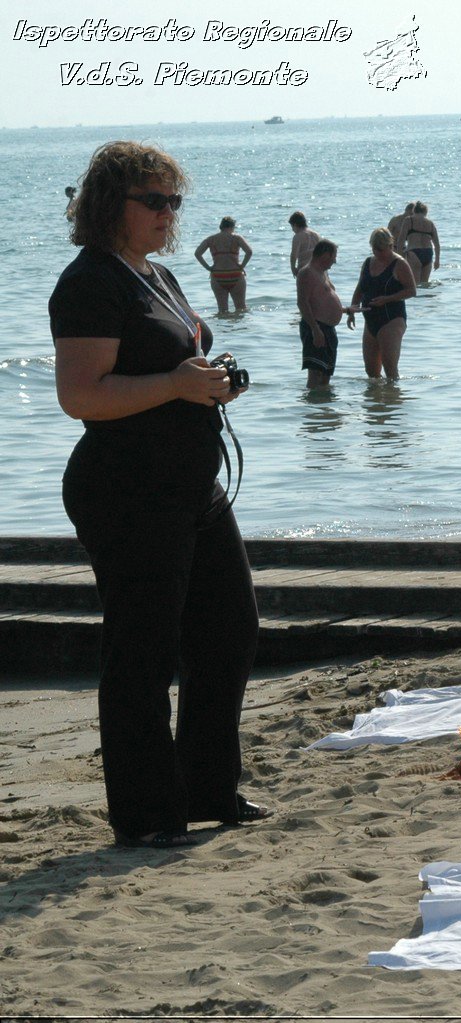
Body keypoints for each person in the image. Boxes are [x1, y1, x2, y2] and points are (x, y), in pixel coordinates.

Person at [49, 140, 264, 849]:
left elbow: (175, 360)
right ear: (114, 205)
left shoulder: (156, 274)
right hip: (128, 490)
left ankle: (206, 790)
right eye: (156, 201)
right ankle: (145, 816)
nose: (170, 213)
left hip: (189, 483)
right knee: (142, 650)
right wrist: (176, 385)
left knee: (229, 627)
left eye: (176, 201)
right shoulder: (89, 282)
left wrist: (213, 375)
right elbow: (81, 395)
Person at [348, 227, 416, 380]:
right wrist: (352, 310)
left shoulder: (399, 264)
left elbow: (411, 291)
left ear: (390, 246)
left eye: (381, 249)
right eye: (374, 249)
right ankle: (376, 402)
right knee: (371, 372)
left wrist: (387, 299)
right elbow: (360, 288)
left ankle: (393, 400)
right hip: (370, 320)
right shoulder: (367, 262)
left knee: (390, 370)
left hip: (392, 319)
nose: (378, 253)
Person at [295, 238, 347, 390]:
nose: (335, 261)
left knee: (326, 375)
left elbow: (322, 301)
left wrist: (346, 310)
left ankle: (323, 410)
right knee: (315, 375)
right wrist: (315, 330)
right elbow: (303, 303)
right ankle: (313, 410)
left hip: (328, 329)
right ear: (325, 255)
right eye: (333, 256)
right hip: (316, 328)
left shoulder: (323, 273)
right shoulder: (307, 273)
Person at [192, 216, 252, 313]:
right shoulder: (237, 238)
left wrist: (208, 268)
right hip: (235, 274)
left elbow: (197, 253)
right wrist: (242, 266)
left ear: (221, 226)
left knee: (222, 310)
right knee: (241, 308)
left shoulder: (211, 239)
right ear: (232, 227)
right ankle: (239, 328)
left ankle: (223, 328)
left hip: (218, 275)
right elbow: (249, 252)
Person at [403, 201, 440, 284]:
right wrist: (437, 260)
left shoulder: (409, 220)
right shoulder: (430, 223)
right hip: (428, 253)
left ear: (414, 211)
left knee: (415, 284)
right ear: (425, 212)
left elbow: (400, 241)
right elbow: (437, 244)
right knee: (425, 284)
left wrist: (399, 258)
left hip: (414, 253)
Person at [287, 211, 320, 276]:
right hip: (318, 269)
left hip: (305, 270)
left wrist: (293, 269)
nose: (292, 230)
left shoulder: (298, 236)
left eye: (292, 227)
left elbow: (294, 256)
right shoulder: (316, 235)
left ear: (295, 225)